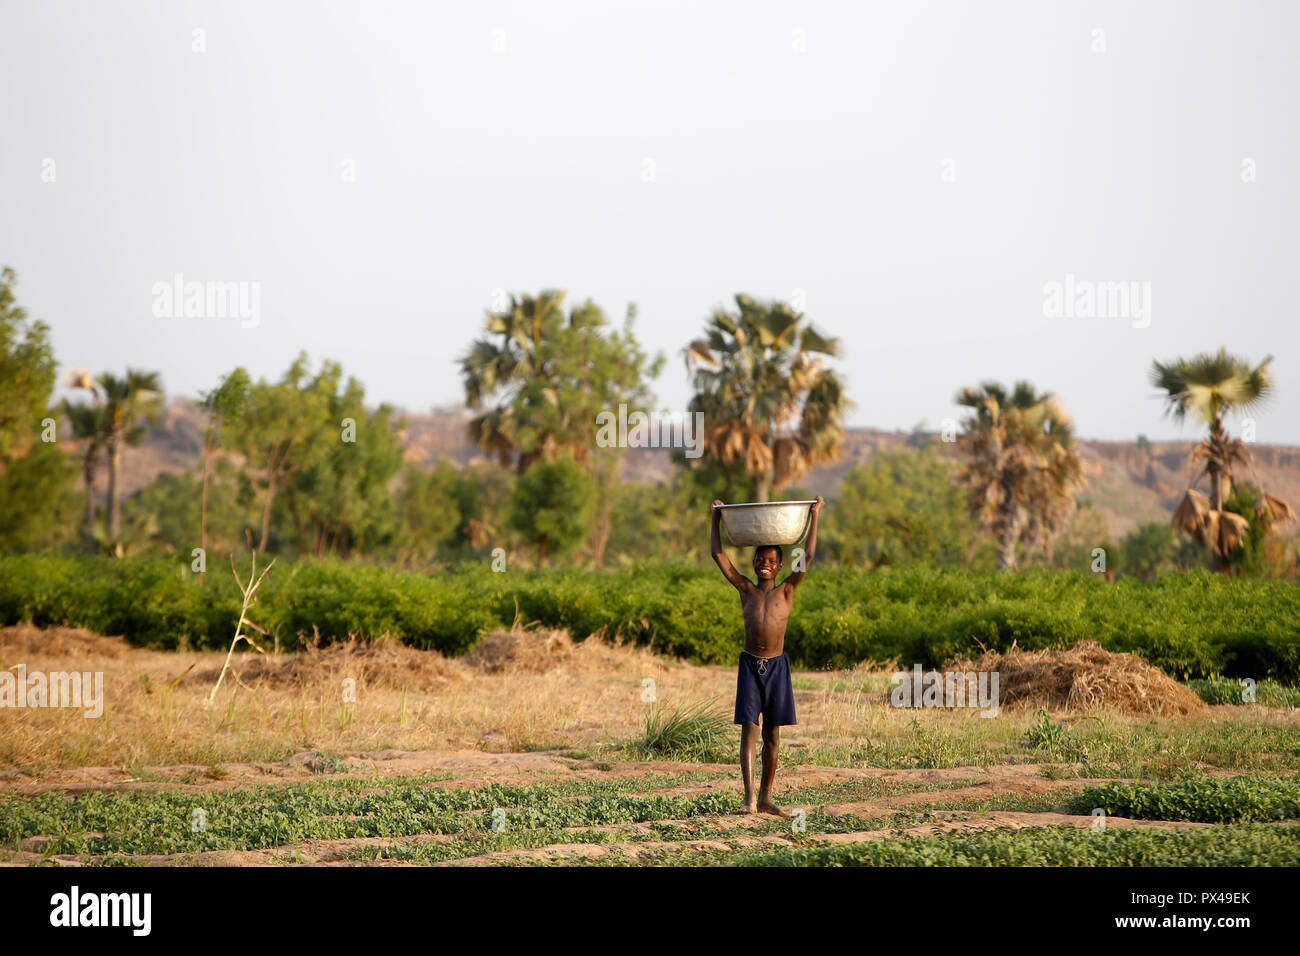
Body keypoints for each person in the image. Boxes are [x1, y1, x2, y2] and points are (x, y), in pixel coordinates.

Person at [710, 496, 823, 815]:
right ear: (754, 562)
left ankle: (765, 797)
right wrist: (716, 518)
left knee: (772, 736)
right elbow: (718, 555)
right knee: (750, 730)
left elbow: (810, 554)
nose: (764, 563)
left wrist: (816, 516)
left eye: (771, 560)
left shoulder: (786, 590)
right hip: (750, 665)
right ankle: (748, 799)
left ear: (780, 565)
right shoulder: (746, 589)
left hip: (777, 667)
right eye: (760, 558)